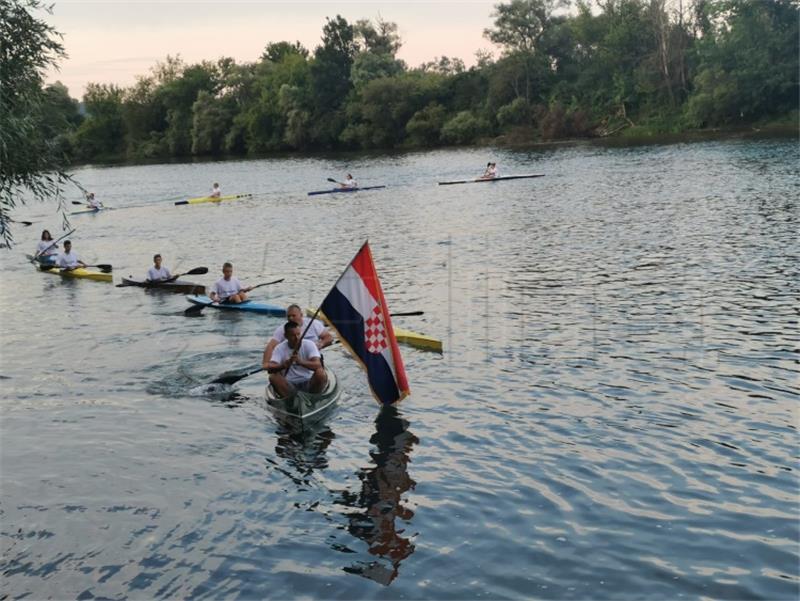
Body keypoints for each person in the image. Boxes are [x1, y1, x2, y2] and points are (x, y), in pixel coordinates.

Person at [267, 321, 328, 397]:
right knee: (273, 377)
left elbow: (318, 365)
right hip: (290, 384)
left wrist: (301, 362)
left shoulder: (309, 344)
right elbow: (270, 368)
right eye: (293, 335)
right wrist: (283, 365)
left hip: (309, 381)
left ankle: (313, 397)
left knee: (320, 373)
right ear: (286, 336)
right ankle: (290, 400)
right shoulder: (279, 348)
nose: (297, 338)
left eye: (298, 334)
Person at [262, 304, 333, 366]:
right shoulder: (282, 329)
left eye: (293, 316)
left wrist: (321, 344)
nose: (291, 318)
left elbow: (329, 337)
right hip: (292, 361)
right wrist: (267, 363)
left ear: (301, 315)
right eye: (289, 316)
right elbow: (271, 346)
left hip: (312, 357)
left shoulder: (314, 324)